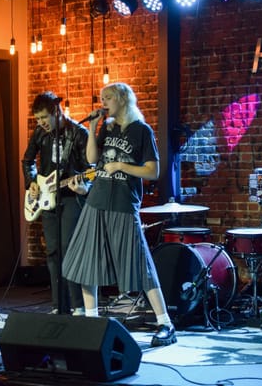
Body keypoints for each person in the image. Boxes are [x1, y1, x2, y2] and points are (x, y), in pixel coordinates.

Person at [62, 82, 177, 347]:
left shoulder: (142, 131)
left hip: (124, 205)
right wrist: (91, 129)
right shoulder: (107, 127)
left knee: (140, 265)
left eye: (108, 98)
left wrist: (122, 166)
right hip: (96, 202)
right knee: (86, 264)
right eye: (102, 98)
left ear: (123, 99)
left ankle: (165, 324)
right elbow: (92, 159)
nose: (103, 103)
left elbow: (153, 171)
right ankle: (92, 323)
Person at [22, 92, 89, 315]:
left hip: (71, 197)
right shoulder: (40, 133)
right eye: (37, 119)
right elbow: (28, 160)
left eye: (44, 118)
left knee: (70, 249)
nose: (41, 123)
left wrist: (83, 185)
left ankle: (78, 305)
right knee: (53, 252)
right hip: (46, 197)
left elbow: (90, 169)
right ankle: (58, 306)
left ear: (56, 112)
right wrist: (31, 181)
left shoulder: (78, 134)